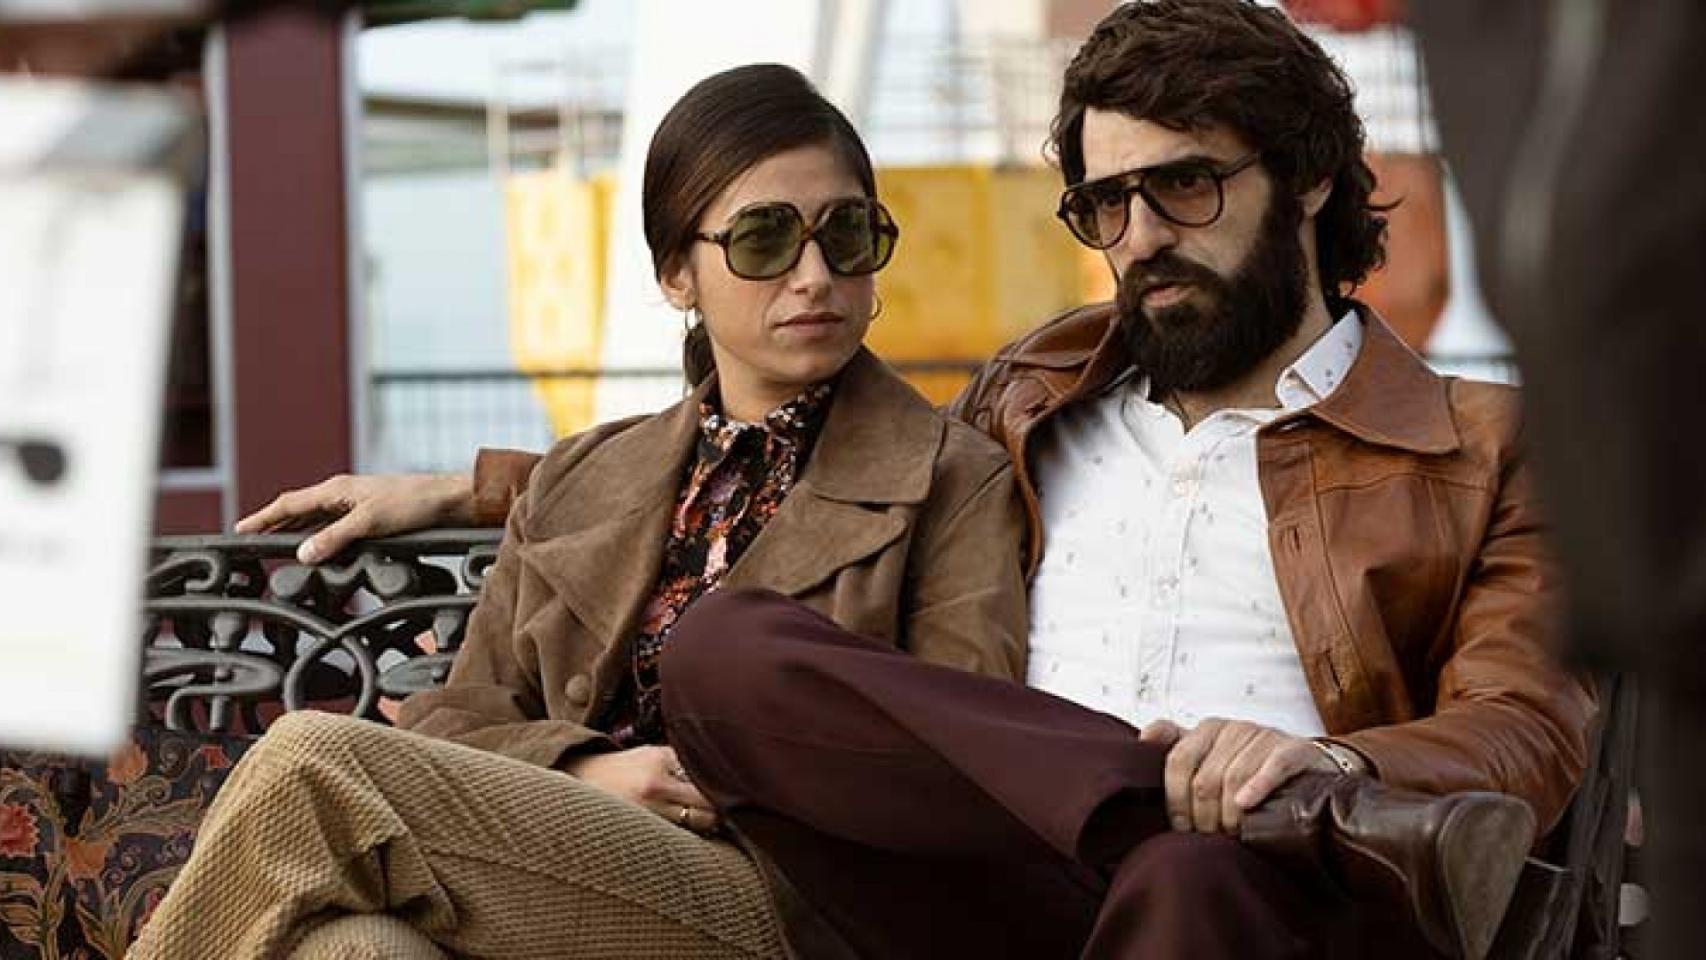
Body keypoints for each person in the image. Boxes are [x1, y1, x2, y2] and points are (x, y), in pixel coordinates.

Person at [241, 3, 1596, 957]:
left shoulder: (1482, 444)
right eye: (1103, 205)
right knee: (727, 648)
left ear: (1301, 180)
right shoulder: (1037, 395)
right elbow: (783, 457)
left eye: (1182, 188)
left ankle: (1284, 818)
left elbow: (1526, 727)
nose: (1137, 238)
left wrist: (1327, 760)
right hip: (983, 888)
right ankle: (1205, 807)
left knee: (1192, 872)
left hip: (1260, 896)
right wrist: (469, 486)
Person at [129, 63, 1032, 959]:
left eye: (846, 233)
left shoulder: (950, 480)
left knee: (313, 764)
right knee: (355, 950)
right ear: (677, 274)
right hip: (558, 885)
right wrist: (585, 769)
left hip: (792, 906)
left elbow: (955, 766)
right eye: (765, 240)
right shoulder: (584, 476)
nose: (814, 275)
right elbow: (457, 715)